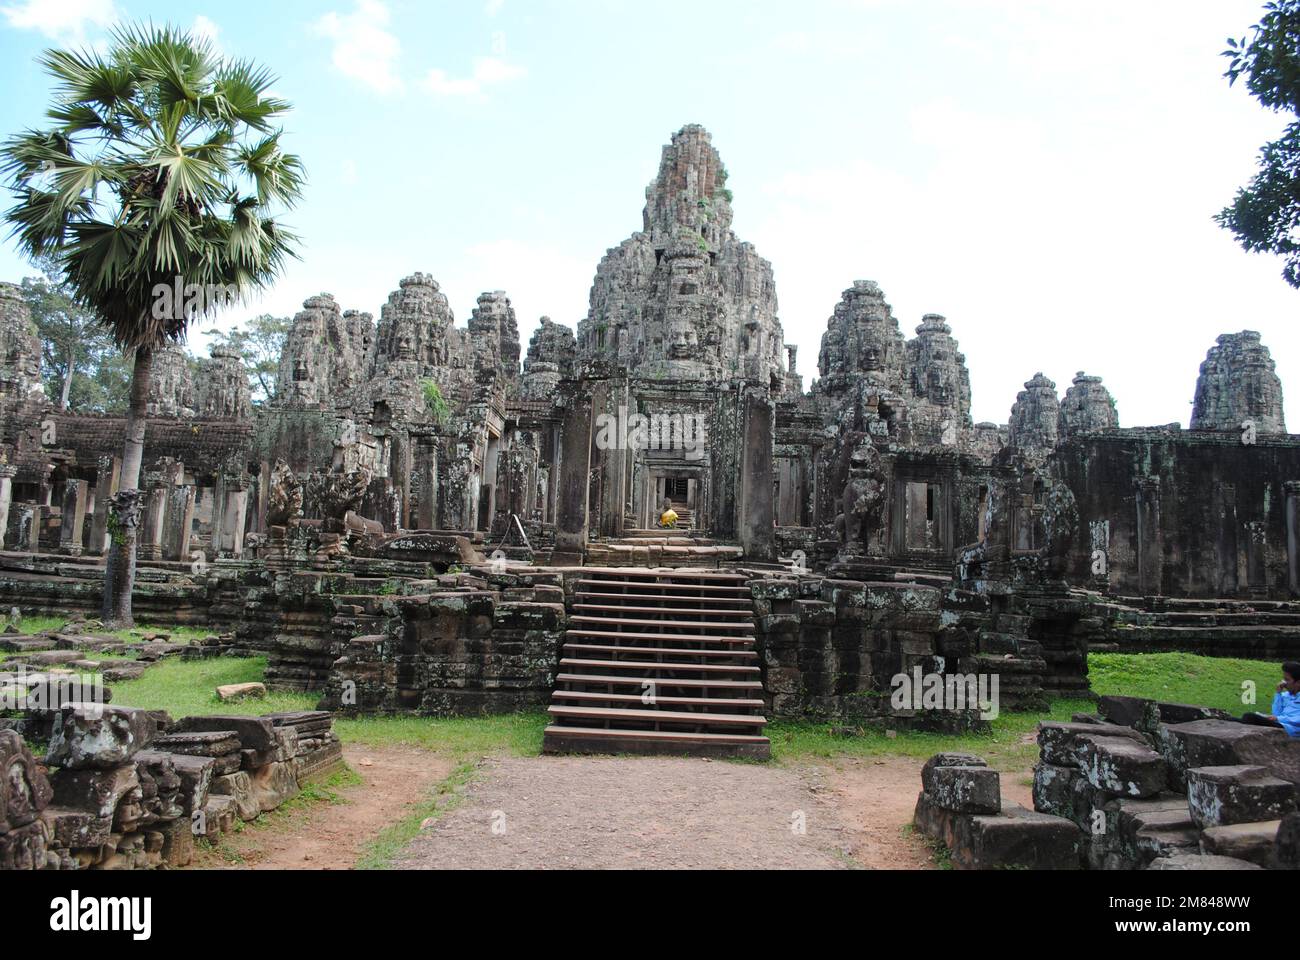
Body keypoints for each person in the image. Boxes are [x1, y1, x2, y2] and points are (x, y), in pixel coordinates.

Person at [1241, 662, 1300, 737]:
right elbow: (1276, 713)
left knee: (1249, 717)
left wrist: (1278, 718)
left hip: (1290, 729)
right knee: (1233, 720)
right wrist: (1278, 694)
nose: (1283, 683)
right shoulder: (1285, 696)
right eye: (1283, 679)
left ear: (1298, 682)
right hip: (1278, 724)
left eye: (1287, 680)